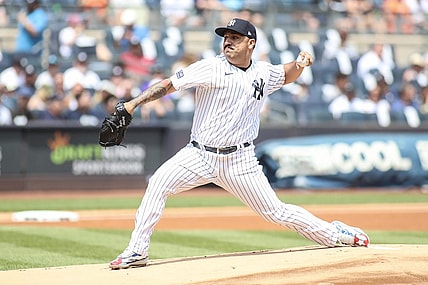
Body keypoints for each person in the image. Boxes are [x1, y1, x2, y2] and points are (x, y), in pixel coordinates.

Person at [108, 18, 370, 270]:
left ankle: (336, 234)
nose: (227, 42)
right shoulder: (210, 67)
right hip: (199, 155)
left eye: (235, 37)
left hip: (240, 161)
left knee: (276, 212)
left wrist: (300, 64)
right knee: (158, 183)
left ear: (251, 43)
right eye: (225, 37)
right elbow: (168, 85)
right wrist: (131, 106)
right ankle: (137, 250)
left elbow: (286, 74)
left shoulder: (263, 72)